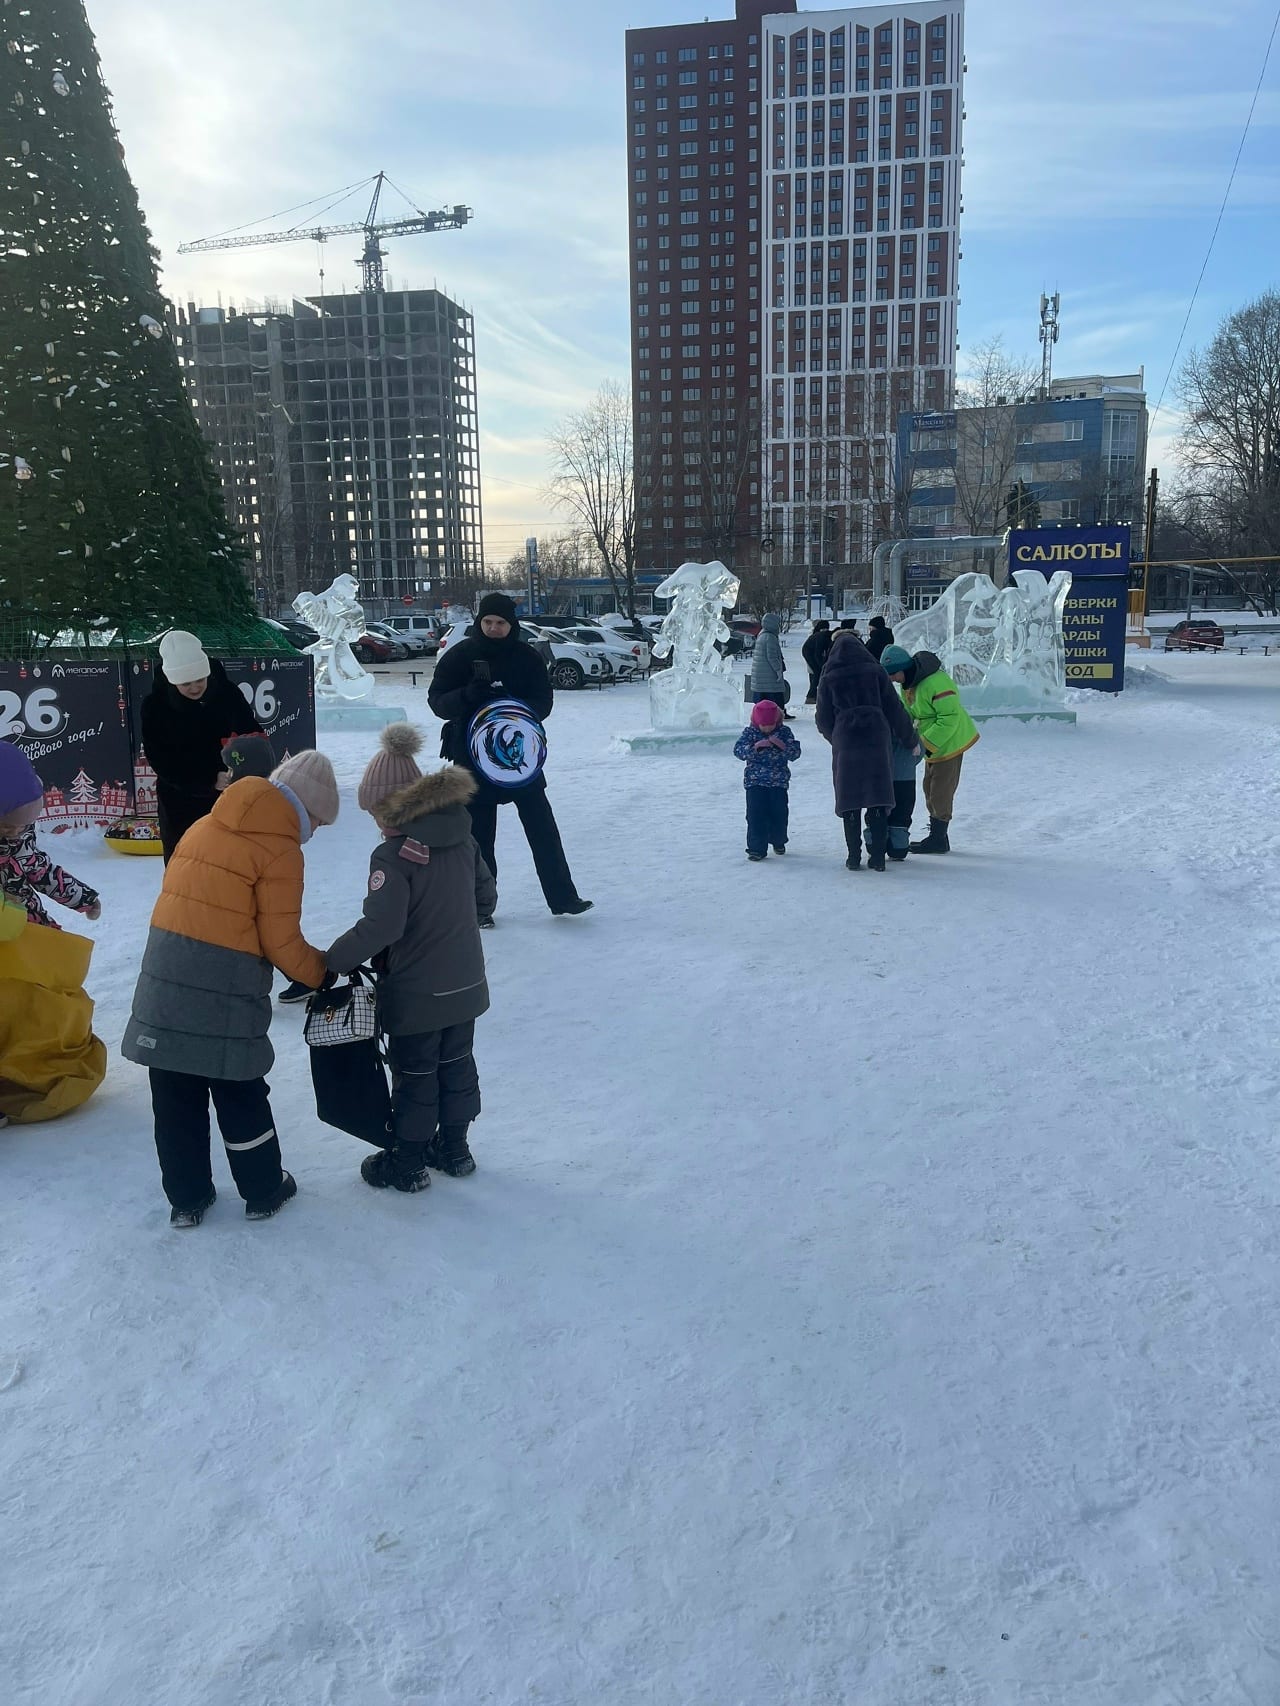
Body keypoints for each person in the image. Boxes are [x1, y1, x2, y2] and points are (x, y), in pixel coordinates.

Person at [121, 750, 338, 1228]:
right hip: (224, 986)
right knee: (239, 1089)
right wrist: (322, 973)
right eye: (319, 821)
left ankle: (186, 1199)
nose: (317, 832)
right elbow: (280, 941)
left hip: (165, 978)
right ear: (303, 809)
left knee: (175, 1094)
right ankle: (263, 1190)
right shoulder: (279, 849)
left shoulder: (204, 825)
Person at [327, 724, 496, 1192]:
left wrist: (333, 960)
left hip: (418, 992)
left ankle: (406, 1163)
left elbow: (382, 927)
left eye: (378, 813)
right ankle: (456, 1149)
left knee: (416, 1074)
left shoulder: (393, 857)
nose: (376, 824)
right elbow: (486, 899)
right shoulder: (463, 838)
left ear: (398, 807)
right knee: (458, 1063)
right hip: (466, 983)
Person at [427, 592, 591, 921]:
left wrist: (513, 708)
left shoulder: (527, 657)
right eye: (487, 621)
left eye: (500, 622)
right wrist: (467, 696)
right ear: (479, 622)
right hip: (473, 760)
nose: (493, 628)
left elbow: (544, 701)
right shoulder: (459, 656)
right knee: (478, 839)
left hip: (520, 759)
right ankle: (480, 908)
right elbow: (437, 701)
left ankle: (564, 898)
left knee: (543, 830)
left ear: (511, 624)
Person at [140, 630, 262, 861]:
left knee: (232, 865)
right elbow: (162, 760)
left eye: (199, 680)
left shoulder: (227, 693)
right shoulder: (155, 706)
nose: (195, 687)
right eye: (186, 683)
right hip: (182, 806)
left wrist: (242, 768)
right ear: (172, 680)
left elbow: (253, 734)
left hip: (232, 798)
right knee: (188, 868)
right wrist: (207, 779)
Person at [816, 632, 919, 872]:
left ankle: (853, 857)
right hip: (876, 739)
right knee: (877, 798)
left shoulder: (829, 676)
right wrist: (909, 738)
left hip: (846, 741)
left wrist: (838, 738)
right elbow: (895, 709)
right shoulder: (876, 671)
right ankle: (878, 858)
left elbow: (822, 720)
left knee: (850, 800)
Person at [879, 646, 979, 854]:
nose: (891, 680)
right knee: (929, 788)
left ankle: (938, 839)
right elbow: (907, 711)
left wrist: (924, 745)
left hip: (950, 742)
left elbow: (949, 719)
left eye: (892, 675)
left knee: (940, 791)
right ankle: (938, 836)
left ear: (903, 669)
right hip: (930, 743)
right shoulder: (907, 683)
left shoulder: (937, 682)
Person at [0, 742, 101, 929]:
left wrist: (81, 897)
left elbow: (41, 870)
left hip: (28, 926)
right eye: (6, 826)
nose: (15, 832)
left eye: (23, 825)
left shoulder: (21, 840)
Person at [732, 700, 802, 862]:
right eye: (763, 725)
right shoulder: (750, 733)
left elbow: (795, 753)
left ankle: (778, 840)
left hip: (778, 782)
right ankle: (756, 848)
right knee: (755, 815)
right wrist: (754, 748)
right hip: (755, 782)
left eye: (771, 724)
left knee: (779, 813)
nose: (767, 728)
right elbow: (738, 751)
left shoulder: (784, 733)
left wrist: (783, 747)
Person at [750, 612, 792, 715]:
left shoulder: (762, 635)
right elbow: (772, 657)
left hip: (761, 675)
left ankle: (762, 715)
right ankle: (778, 715)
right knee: (775, 696)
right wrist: (778, 670)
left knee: (762, 698)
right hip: (769, 675)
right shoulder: (770, 637)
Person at [801, 619, 833, 704]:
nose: (825, 630)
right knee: (816, 673)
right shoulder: (819, 636)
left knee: (816, 673)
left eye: (826, 629)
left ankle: (814, 695)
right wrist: (822, 665)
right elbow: (817, 653)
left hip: (812, 654)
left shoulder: (824, 636)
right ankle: (811, 696)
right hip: (809, 654)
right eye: (823, 629)